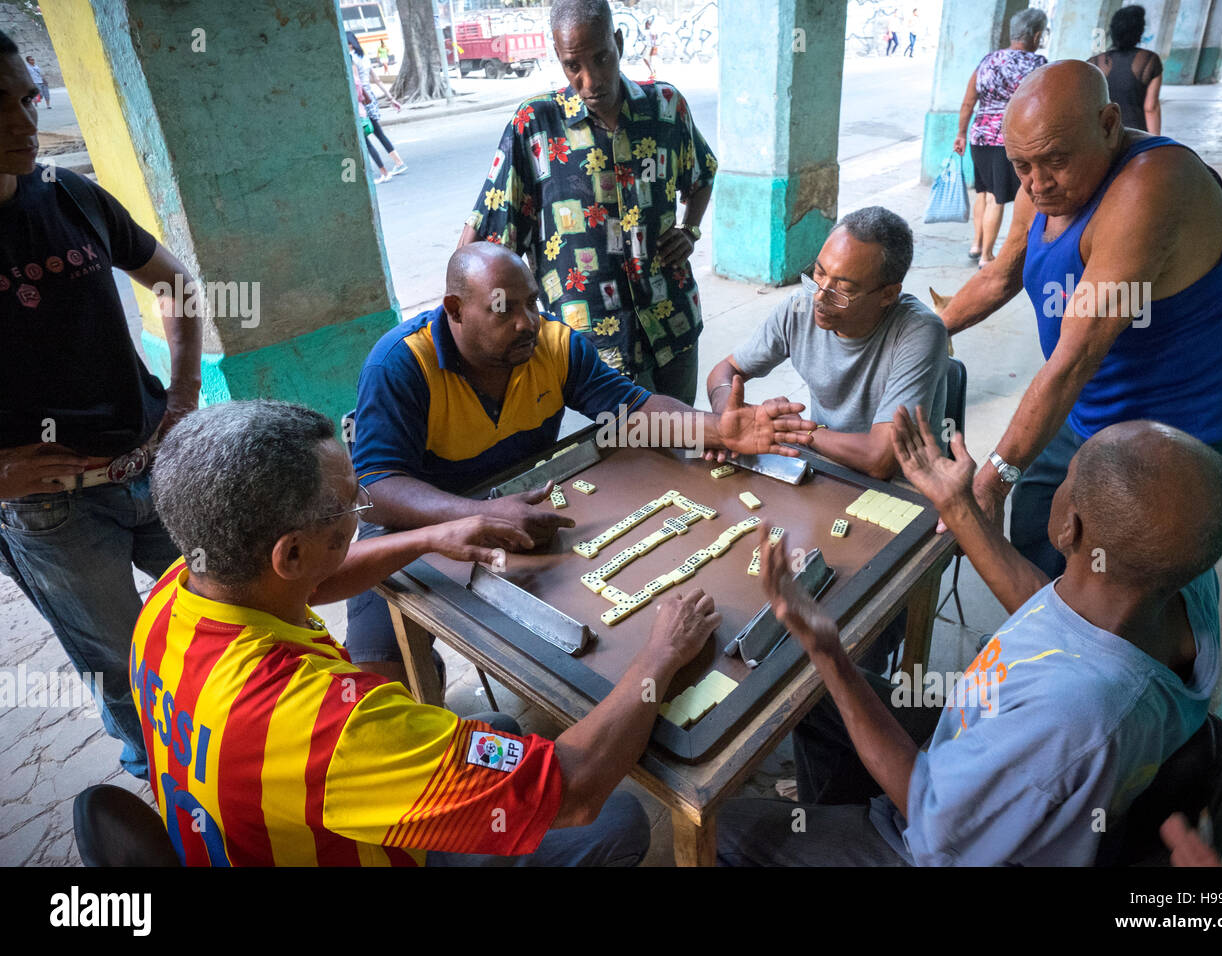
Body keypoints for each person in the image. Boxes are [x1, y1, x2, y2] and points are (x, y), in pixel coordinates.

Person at [134, 399, 725, 866]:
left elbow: (308, 582)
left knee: (495, 728)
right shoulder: (330, 726)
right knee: (614, 820)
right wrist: (658, 657)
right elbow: (575, 790)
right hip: (365, 843)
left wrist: (427, 536)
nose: (362, 509)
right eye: (350, 508)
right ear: (289, 553)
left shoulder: (180, 590)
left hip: (259, 825)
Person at [716, 412, 1222, 866]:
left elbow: (929, 817)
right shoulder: (1177, 578)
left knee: (716, 829)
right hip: (980, 756)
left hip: (927, 841)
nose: (1056, 480)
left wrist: (829, 650)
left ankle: (844, 831)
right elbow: (1064, 618)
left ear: (1069, 530)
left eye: (1068, 477)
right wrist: (958, 505)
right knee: (801, 692)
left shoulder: (1071, 714)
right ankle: (832, 811)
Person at [346, 242, 817, 684]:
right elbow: (374, 492)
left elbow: (632, 412)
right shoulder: (400, 365)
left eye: (532, 302)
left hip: (520, 504)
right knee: (377, 677)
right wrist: (475, 515)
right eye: (503, 309)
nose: (526, 322)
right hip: (412, 524)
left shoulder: (553, 345)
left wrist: (716, 429)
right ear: (454, 310)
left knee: (593, 643)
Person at [939, 60, 1222, 579]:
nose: (1037, 184)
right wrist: (931, 330)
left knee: (1120, 578)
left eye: (1054, 161)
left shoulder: (1154, 184)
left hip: (1181, 424)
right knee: (1040, 528)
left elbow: (1075, 357)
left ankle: (1095, 654)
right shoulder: (1040, 181)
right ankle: (1037, 643)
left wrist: (990, 480)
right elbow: (1002, 276)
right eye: (1021, 165)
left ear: (1110, 123)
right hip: (1088, 405)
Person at [0, 30, 202, 777]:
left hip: (158, 467)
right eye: (0, 104)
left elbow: (175, 285)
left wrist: (182, 399)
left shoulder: (68, 194)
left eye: (27, 96)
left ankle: (254, 753)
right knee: (121, 669)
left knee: (235, 607)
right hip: (54, 514)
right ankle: (176, 796)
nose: (25, 121)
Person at [460, 0, 717, 405]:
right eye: (573, 66)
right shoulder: (535, 126)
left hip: (674, 323)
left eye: (601, 58)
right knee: (621, 460)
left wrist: (691, 228)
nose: (591, 79)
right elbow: (485, 238)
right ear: (559, 60)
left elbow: (702, 173)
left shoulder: (666, 107)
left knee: (682, 445)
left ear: (618, 42)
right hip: (592, 347)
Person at [706, 207, 948, 482]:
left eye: (843, 290)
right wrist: (729, 419)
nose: (820, 297)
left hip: (904, 487)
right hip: (828, 466)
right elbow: (725, 370)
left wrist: (799, 431)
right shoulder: (799, 308)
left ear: (888, 294)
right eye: (818, 274)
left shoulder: (919, 332)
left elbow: (880, 460)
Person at [953, 7, 1048, 267]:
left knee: (982, 193)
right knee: (997, 196)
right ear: (1036, 35)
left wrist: (961, 133)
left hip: (979, 136)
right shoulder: (1037, 65)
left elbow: (968, 102)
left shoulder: (988, 60)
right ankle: (986, 255)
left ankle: (976, 244)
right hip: (1006, 139)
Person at [1088, 5, 1162, 134]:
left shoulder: (1093, 62)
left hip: (1101, 135)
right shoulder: (1150, 60)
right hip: (1136, 134)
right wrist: (1155, 142)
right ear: (1139, 31)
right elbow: (1151, 107)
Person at [347, 31, 406, 184]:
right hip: (370, 99)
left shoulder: (351, 58)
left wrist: (358, 101)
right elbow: (377, 79)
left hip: (361, 100)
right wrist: (391, 98)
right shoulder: (364, 57)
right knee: (378, 133)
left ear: (350, 44)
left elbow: (357, 82)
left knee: (365, 136)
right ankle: (398, 162)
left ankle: (384, 172)